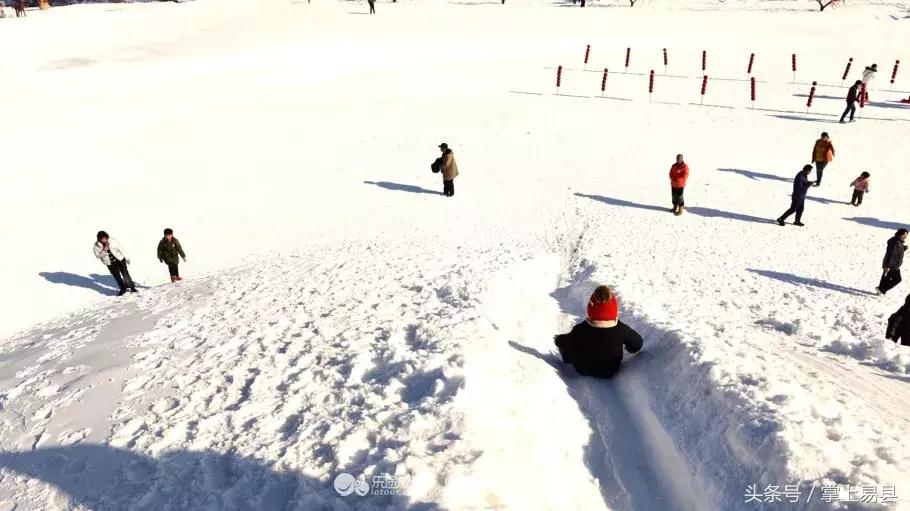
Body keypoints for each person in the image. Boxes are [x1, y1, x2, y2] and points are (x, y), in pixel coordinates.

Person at [554, 286, 643, 378]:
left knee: (569, 345)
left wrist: (558, 339)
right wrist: (629, 348)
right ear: (614, 309)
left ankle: (568, 358)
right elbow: (637, 344)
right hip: (610, 370)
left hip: (583, 369)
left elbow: (566, 342)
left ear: (591, 309)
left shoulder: (580, 329)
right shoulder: (621, 329)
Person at [93, 231, 138, 296]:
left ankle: (132, 287)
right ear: (99, 239)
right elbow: (97, 255)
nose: (104, 240)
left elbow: (121, 248)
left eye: (105, 238)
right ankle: (123, 289)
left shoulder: (112, 240)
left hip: (119, 259)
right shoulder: (96, 246)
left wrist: (127, 258)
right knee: (117, 276)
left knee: (125, 273)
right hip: (110, 263)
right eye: (102, 239)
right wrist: (104, 250)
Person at [877, 229, 908, 295]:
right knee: (897, 279)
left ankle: (881, 290)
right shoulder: (896, 242)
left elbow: (896, 251)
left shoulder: (897, 241)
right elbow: (891, 254)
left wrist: (903, 248)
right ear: (900, 234)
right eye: (904, 235)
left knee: (885, 278)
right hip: (892, 265)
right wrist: (888, 266)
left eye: (906, 235)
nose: (905, 237)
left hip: (893, 264)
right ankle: (881, 289)